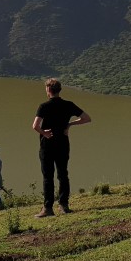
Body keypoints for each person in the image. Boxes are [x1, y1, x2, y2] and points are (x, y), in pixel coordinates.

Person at [32, 78, 91, 218]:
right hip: (63, 144)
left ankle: (47, 208)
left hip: (47, 145)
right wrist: (70, 124)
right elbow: (87, 118)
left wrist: (44, 133)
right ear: (59, 90)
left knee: (48, 177)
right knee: (63, 175)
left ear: (48, 90)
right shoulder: (68, 105)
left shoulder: (44, 106)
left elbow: (35, 126)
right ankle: (63, 205)